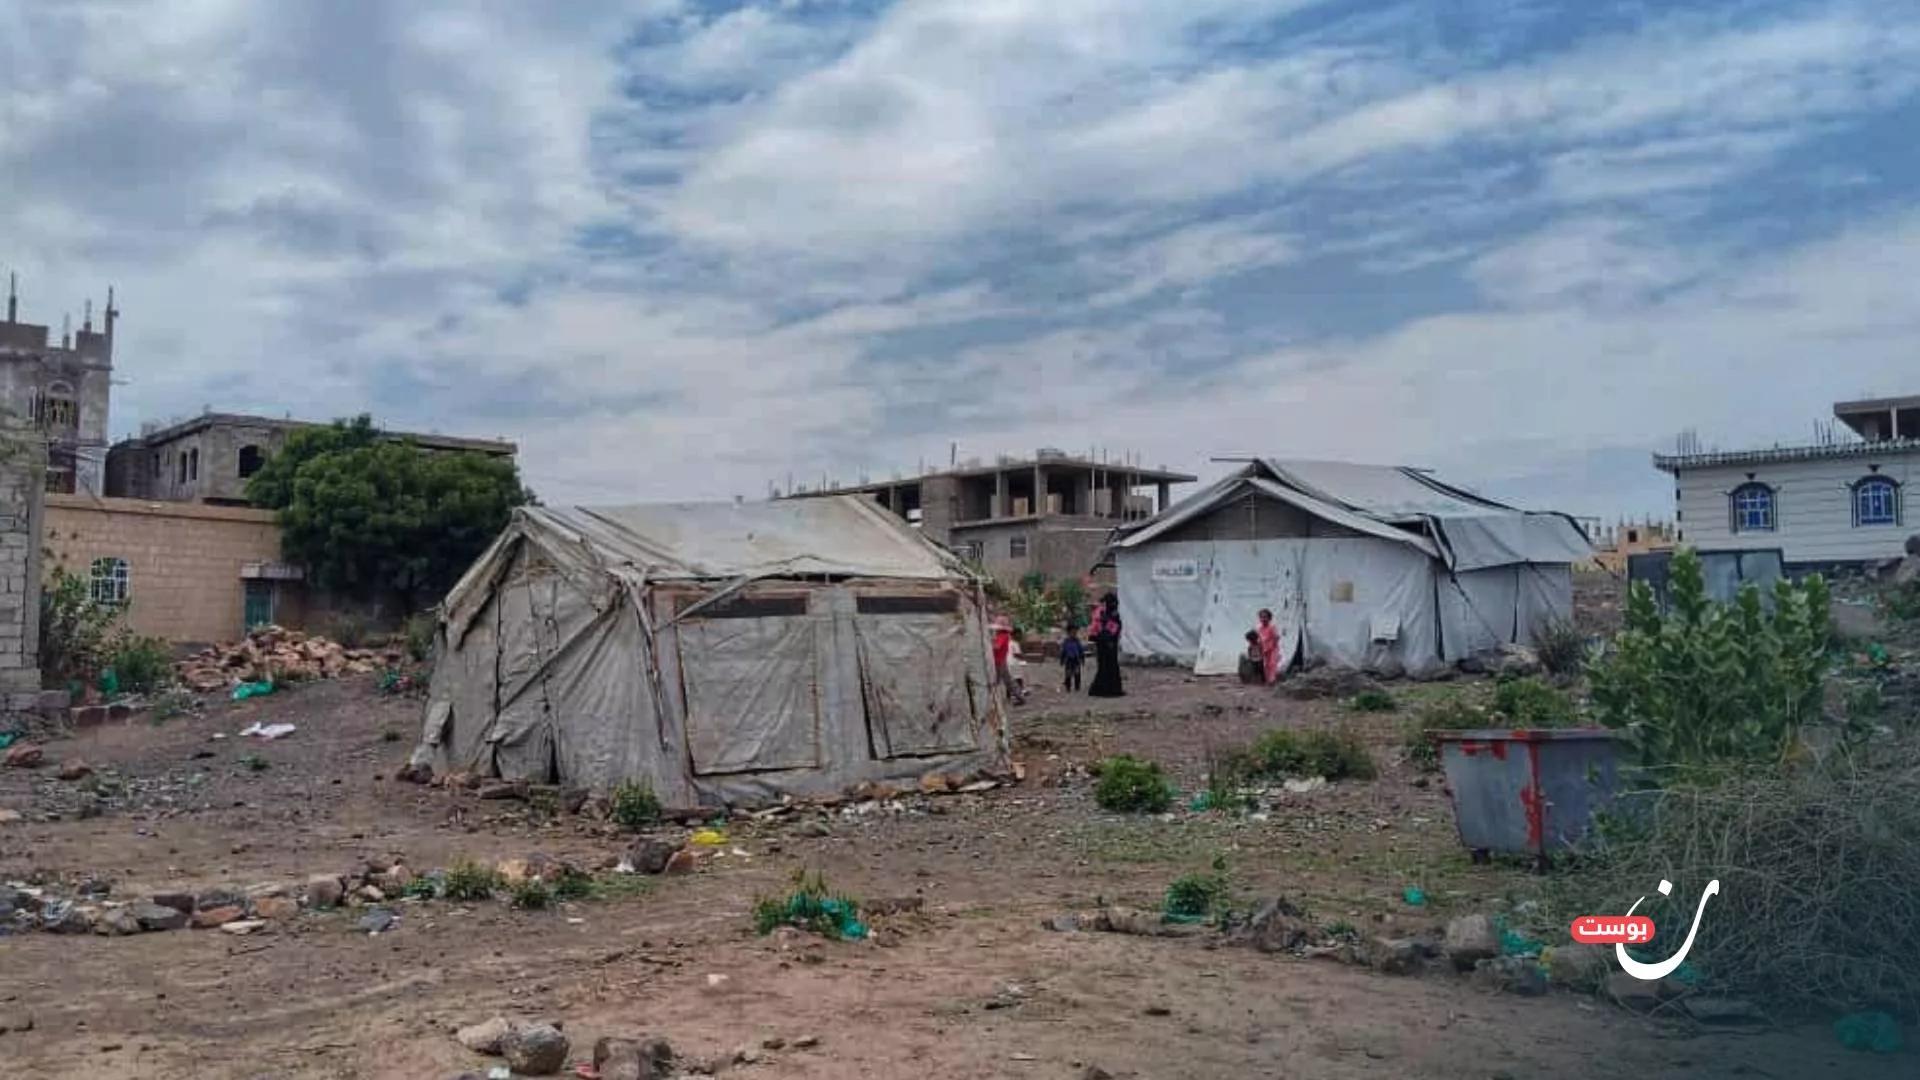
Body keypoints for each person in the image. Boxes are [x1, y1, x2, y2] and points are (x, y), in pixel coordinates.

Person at [1087, 593, 1126, 698]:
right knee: (1105, 666)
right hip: (1104, 643)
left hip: (1108, 643)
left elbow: (1115, 628)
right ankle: (1102, 690)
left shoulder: (1111, 614)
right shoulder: (1102, 613)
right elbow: (1097, 629)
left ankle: (1112, 689)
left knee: (1110, 666)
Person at [991, 616, 1025, 704]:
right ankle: (1019, 696)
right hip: (1000, 660)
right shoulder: (1002, 636)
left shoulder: (1003, 636)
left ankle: (1019, 697)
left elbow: (997, 647)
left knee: (1002, 681)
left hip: (999, 661)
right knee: (1006, 680)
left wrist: (990, 645)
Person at [1256, 608, 1282, 685]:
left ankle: (1272, 680)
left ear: (1269, 618)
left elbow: (1277, 637)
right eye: (1262, 617)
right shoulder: (1259, 629)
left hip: (1273, 649)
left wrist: (1272, 645)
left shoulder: (1272, 627)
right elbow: (1259, 639)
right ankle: (1268, 680)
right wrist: (1260, 648)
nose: (1263, 619)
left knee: (1272, 663)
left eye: (1265, 617)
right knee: (1266, 665)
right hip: (1265, 649)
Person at [1060, 626, 1086, 692]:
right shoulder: (1066, 641)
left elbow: (1081, 650)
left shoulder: (1077, 641)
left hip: (1076, 659)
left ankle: (1077, 686)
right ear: (1068, 633)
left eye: (1075, 633)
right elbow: (1063, 651)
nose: (1074, 634)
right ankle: (1068, 686)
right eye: (1072, 632)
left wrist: (1082, 659)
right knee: (1068, 674)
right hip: (1068, 659)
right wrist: (1062, 660)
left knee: (1077, 673)